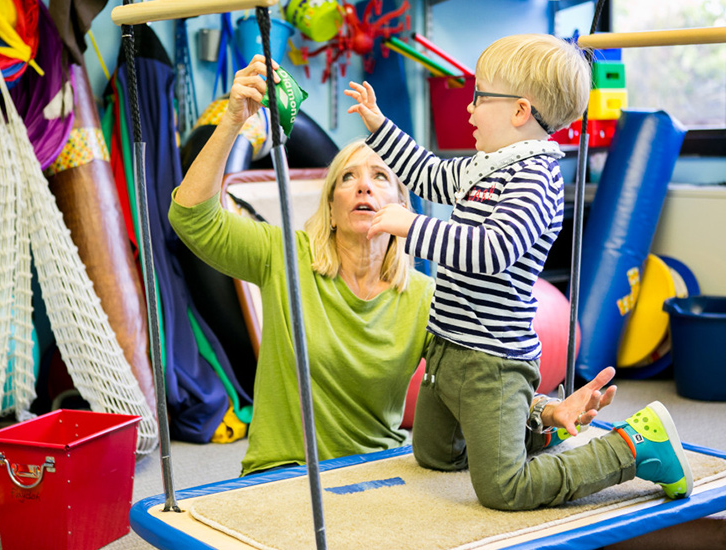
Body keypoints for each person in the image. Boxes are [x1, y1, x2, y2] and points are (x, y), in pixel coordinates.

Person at [169, 54, 616, 477]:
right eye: (348, 177)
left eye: (380, 176)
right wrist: (232, 121)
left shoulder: (427, 297)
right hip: (285, 472)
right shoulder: (284, 255)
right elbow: (190, 218)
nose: (364, 185)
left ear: (402, 203)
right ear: (331, 204)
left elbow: (477, 376)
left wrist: (545, 411)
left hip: (382, 471)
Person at [345, 33, 693, 511]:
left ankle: (632, 449)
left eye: (478, 96)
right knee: (434, 455)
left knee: (504, 488)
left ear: (519, 111)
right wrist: (379, 127)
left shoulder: (535, 179)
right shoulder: (485, 165)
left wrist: (412, 227)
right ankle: (536, 424)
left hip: (493, 360)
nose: (468, 109)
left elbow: (493, 250)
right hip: (447, 347)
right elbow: (428, 173)